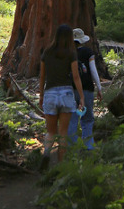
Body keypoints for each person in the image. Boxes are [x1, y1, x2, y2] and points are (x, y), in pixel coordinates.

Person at [39, 23, 84, 166]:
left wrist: (41, 95)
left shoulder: (47, 52)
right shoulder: (71, 53)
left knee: (51, 131)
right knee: (63, 132)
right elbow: (76, 77)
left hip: (50, 93)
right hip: (66, 93)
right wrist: (81, 97)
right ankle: (61, 163)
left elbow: (42, 76)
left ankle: (46, 152)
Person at [68, 27, 103, 149]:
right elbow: (93, 71)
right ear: (82, 40)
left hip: (71, 90)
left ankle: (71, 146)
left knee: (72, 118)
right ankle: (88, 146)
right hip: (87, 89)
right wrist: (99, 88)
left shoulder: (67, 53)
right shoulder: (88, 52)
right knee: (87, 119)